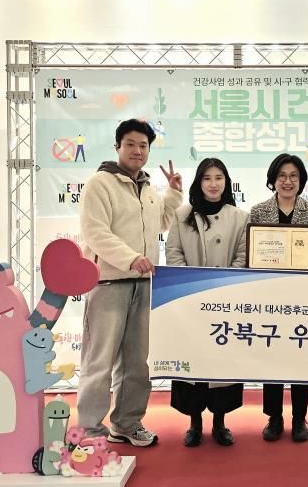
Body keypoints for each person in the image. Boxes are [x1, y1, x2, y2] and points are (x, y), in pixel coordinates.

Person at [77, 118, 183, 447]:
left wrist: (173, 193)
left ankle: (127, 423)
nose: (137, 151)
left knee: (137, 363)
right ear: (117, 147)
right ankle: (90, 431)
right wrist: (130, 258)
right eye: (131, 144)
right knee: (99, 361)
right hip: (109, 284)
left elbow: (160, 225)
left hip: (144, 284)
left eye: (143, 146)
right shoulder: (100, 183)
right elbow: (95, 232)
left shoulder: (148, 189)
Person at [166, 158, 249, 448]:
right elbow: (174, 252)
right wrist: (191, 285)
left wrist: (223, 284)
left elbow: (243, 255)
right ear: (198, 182)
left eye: (219, 178)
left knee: (220, 364)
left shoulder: (239, 217)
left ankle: (219, 423)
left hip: (225, 300)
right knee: (193, 363)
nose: (213, 184)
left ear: (226, 182)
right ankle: (194, 423)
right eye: (207, 178)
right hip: (189, 301)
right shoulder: (182, 214)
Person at [249, 153, 308, 442]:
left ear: (301, 180)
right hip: (270, 293)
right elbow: (252, 255)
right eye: (282, 175)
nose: (288, 181)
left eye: (294, 176)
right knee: (273, 354)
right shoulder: (258, 211)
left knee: (300, 355)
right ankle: (274, 417)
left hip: (303, 293)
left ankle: (299, 417)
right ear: (273, 180)